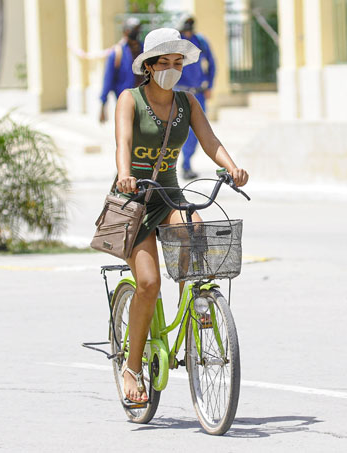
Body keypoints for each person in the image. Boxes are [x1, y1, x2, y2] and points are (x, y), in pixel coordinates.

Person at [114, 28, 248, 404]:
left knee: (196, 230)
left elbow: (210, 142)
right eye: (165, 63)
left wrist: (232, 168)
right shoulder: (130, 99)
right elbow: (122, 143)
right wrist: (125, 174)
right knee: (148, 283)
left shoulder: (188, 103)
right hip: (135, 198)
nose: (173, 69)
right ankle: (131, 367)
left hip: (169, 192)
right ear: (149, 67)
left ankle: (195, 309)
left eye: (178, 63)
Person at [175, 15, 217, 180]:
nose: (189, 30)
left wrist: (210, 85)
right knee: (179, 131)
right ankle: (173, 166)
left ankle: (186, 163)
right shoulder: (177, 43)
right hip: (179, 92)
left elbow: (212, 64)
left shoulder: (201, 41)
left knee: (197, 132)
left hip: (198, 93)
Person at [100, 17, 143, 123]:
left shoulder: (144, 50)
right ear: (125, 31)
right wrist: (103, 106)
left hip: (144, 102)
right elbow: (108, 80)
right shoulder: (116, 53)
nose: (135, 32)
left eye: (137, 29)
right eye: (133, 29)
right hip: (125, 102)